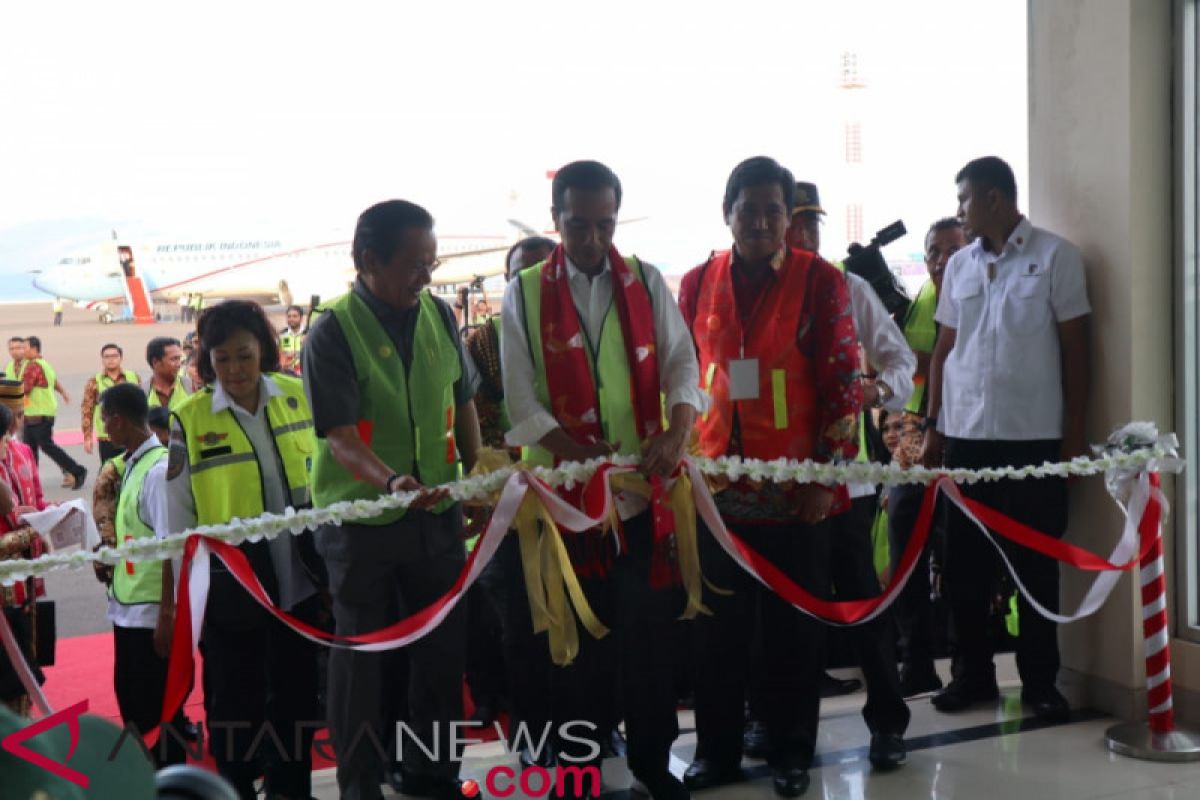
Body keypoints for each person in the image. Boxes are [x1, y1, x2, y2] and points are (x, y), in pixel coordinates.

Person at [501, 160, 704, 800]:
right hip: (562, 508)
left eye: (604, 225)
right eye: (579, 225)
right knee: (574, 646)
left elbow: (681, 364)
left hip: (642, 497)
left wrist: (675, 434)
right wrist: (575, 454)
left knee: (646, 640)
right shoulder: (525, 290)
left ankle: (651, 763)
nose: (592, 240)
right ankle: (582, 769)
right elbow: (519, 400)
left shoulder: (644, 280)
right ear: (556, 219)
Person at [678, 157, 862, 798]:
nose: (760, 221)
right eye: (747, 209)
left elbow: (844, 385)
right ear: (726, 213)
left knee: (793, 636)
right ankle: (717, 754)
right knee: (715, 635)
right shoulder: (698, 281)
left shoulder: (821, 282)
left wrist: (823, 476)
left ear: (790, 217)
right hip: (718, 494)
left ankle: (791, 753)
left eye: (773, 211)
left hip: (796, 493)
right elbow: (684, 378)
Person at [303, 199, 482, 800]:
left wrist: (475, 476)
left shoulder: (438, 314)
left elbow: (463, 402)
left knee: (440, 652)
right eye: (412, 264)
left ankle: (432, 774)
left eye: (430, 263)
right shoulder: (332, 330)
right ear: (367, 259)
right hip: (362, 524)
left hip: (436, 514)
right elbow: (342, 439)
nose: (425, 277)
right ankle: (360, 786)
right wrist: (391, 483)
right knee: (363, 659)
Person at [921, 156, 1090, 723]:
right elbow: (945, 351)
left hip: (1032, 444)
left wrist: (1074, 438)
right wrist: (934, 427)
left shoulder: (1055, 257)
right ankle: (972, 678)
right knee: (964, 567)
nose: (960, 211)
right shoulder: (962, 266)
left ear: (995, 198)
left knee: (1036, 566)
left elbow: (1077, 352)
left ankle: (1041, 682)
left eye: (965, 199)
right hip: (967, 440)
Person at [160, 300, 325, 799]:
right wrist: (177, 600)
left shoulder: (298, 396)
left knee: (297, 702)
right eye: (222, 358)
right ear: (207, 360)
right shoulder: (188, 417)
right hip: (232, 590)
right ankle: (234, 791)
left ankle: (291, 791)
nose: (233, 369)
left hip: (301, 585)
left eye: (244, 356)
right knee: (234, 707)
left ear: (265, 352)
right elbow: (176, 517)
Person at [782, 179, 913, 769]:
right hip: (778, 485)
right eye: (796, 222)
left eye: (814, 224)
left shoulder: (848, 287)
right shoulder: (762, 294)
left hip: (849, 484)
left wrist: (876, 390)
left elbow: (901, 360)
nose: (805, 234)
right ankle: (790, 737)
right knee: (792, 620)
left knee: (866, 610)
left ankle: (888, 723)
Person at [888, 217, 967, 696]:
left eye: (952, 250)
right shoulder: (919, 300)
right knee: (904, 550)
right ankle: (915, 662)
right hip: (914, 439)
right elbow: (901, 369)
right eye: (934, 252)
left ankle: (963, 667)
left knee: (958, 556)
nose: (942, 261)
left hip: (963, 436)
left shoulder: (978, 296)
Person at [98, 383, 188, 768]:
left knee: (155, 713)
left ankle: (169, 783)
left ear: (119, 420)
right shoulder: (132, 464)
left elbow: (173, 545)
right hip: (129, 607)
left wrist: (168, 615)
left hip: (151, 614)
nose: (105, 431)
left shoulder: (156, 471)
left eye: (106, 422)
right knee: (134, 706)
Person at [467, 236, 555, 450]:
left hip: (580, 454)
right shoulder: (486, 338)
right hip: (516, 464)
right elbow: (477, 410)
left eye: (541, 271)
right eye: (520, 276)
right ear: (507, 279)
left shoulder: (582, 329)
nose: (531, 282)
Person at [0, 385, 50, 716]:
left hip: (26, 582)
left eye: (19, 417)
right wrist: (34, 528)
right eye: (11, 420)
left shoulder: (23, 453)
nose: (16, 429)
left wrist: (52, 514)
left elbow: (38, 499)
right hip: (4, 585)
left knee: (24, 665)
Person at [20, 337, 86, 490]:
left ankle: (77, 470)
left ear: (34, 349)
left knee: (45, 446)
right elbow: (54, 382)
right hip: (36, 414)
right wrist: (63, 392)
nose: (23, 351)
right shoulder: (44, 364)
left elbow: (24, 389)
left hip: (39, 414)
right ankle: (31, 481)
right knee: (30, 449)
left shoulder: (33, 366)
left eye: (25, 347)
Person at [81, 344, 139, 464]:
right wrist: (87, 437)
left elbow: (142, 406)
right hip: (107, 437)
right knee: (109, 473)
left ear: (121, 358)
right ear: (102, 359)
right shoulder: (95, 381)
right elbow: (87, 409)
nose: (111, 359)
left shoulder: (133, 377)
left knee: (132, 471)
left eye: (114, 356)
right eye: (107, 357)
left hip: (131, 435)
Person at [144, 337, 191, 411]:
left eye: (179, 359)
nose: (179, 364)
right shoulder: (142, 392)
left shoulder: (191, 387)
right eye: (174, 359)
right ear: (155, 362)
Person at [279, 305, 306, 373]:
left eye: (294, 316)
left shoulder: (309, 333)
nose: (291, 319)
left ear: (301, 318)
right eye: (289, 316)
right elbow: (280, 356)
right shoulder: (282, 335)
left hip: (304, 374)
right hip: (287, 373)